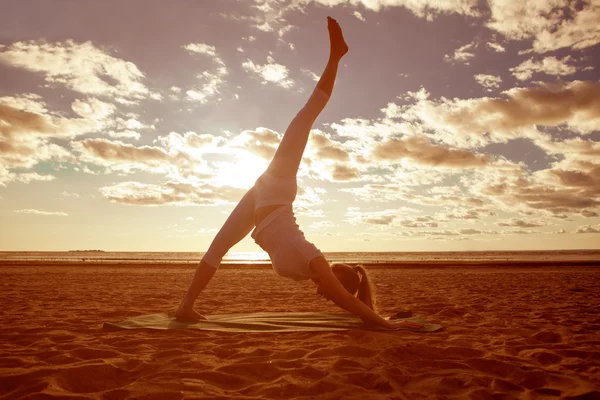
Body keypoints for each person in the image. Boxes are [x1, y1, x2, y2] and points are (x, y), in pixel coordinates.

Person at [176, 17, 422, 330]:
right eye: (332, 285)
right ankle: (336, 57)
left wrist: (376, 317)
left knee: (217, 248)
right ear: (337, 275)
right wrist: (386, 326)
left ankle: (185, 307)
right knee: (304, 120)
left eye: (328, 292)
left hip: (261, 200)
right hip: (275, 191)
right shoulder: (314, 259)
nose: (325, 292)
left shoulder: (314, 271)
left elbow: (347, 301)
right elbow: (347, 300)